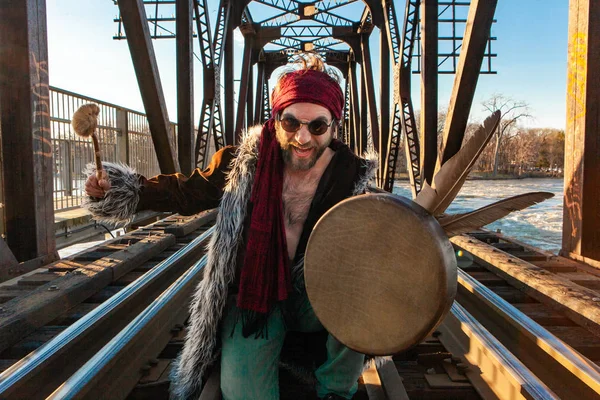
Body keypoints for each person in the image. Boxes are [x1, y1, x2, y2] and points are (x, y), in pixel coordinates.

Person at [84, 54, 377, 400]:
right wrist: (122, 190)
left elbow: (384, 242)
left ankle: (334, 390)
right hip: (258, 295)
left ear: (334, 125)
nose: (302, 137)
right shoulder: (245, 162)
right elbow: (187, 190)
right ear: (276, 117)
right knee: (244, 393)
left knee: (364, 288)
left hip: (318, 295)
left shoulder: (350, 176)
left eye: (317, 126)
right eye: (290, 123)